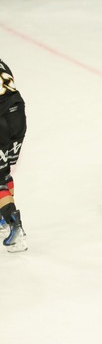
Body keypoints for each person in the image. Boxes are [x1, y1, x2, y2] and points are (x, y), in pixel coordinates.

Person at [0, 59, 28, 253]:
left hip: (1, 121)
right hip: (18, 116)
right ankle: (3, 218)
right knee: (5, 172)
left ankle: (13, 223)